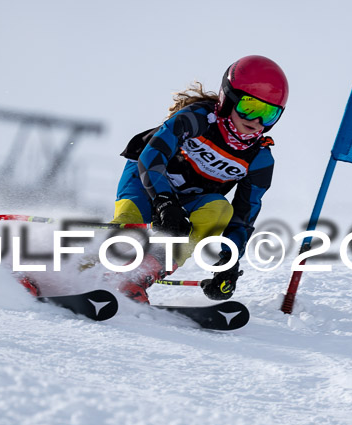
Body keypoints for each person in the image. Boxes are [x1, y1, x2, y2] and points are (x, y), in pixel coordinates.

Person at [110, 55, 289, 303]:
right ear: (229, 99)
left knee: (220, 209)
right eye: (249, 107)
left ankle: (140, 276)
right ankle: (80, 269)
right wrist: (164, 202)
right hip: (147, 180)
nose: (257, 120)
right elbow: (152, 157)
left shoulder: (259, 159)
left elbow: (243, 216)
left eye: (269, 114)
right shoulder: (197, 119)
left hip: (190, 200)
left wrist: (229, 260)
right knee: (131, 226)